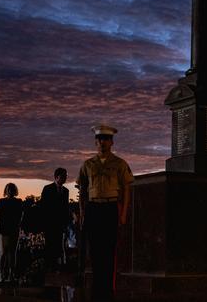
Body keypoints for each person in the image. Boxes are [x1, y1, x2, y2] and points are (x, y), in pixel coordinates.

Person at [77, 125, 133, 302]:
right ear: (95, 142)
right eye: (100, 139)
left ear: (112, 142)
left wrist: (123, 213)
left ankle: (108, 289)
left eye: (106, 139)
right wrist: (82, 212)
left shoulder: (119, 164)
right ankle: (97, 289)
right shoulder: (87, 165)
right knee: (94, 251)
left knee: (109, 250)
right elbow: (82, 191)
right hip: (93, 209)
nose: (103, 143)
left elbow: (126, 189)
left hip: (110, 208)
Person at [40, 168, 70, 272]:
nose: (66, 178)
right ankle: (49, 267)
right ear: (57, 177)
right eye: (64, 176)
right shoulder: (47, 189)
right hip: (49, 223)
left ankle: (56, 267)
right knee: (49, 245)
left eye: (66, 176)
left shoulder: (66, 191)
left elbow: (66, 208)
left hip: (60, 224)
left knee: (58, 246)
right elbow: (43, 207)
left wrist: (66, 223)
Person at [0, 183, 23, 282]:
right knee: (3, 252)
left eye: (11, 189)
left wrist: (16, 225)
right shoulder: (1, 201)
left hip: (14, 229)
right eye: (8, 189)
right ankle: (1, 273)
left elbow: (20, 216)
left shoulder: (19, 202)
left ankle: (11, 274)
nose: (10, 191)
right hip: (3, 229)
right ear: (6, 190)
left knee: (12, 252)